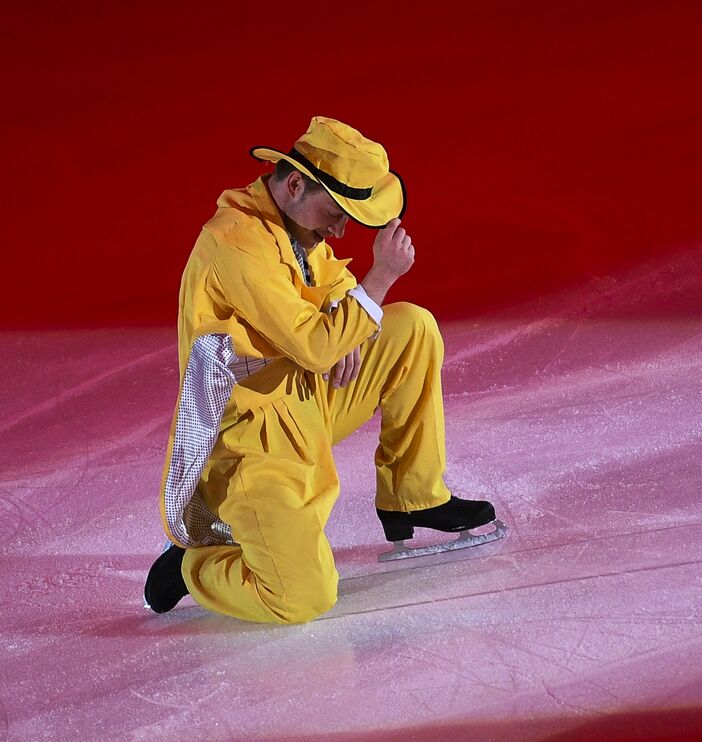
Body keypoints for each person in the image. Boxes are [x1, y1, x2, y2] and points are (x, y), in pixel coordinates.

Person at [144, 116, 501, 623]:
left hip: (310, 401)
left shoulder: (292, 224)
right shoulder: (236, 242)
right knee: (303, 598)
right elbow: (314, 347)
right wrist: (378, 281)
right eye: (334, 213)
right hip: (256, 441)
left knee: (411, 328)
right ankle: (195, 568)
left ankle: (412, 496)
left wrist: (347, 315)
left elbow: (331, 277)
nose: (338, 230)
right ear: (294, 183)